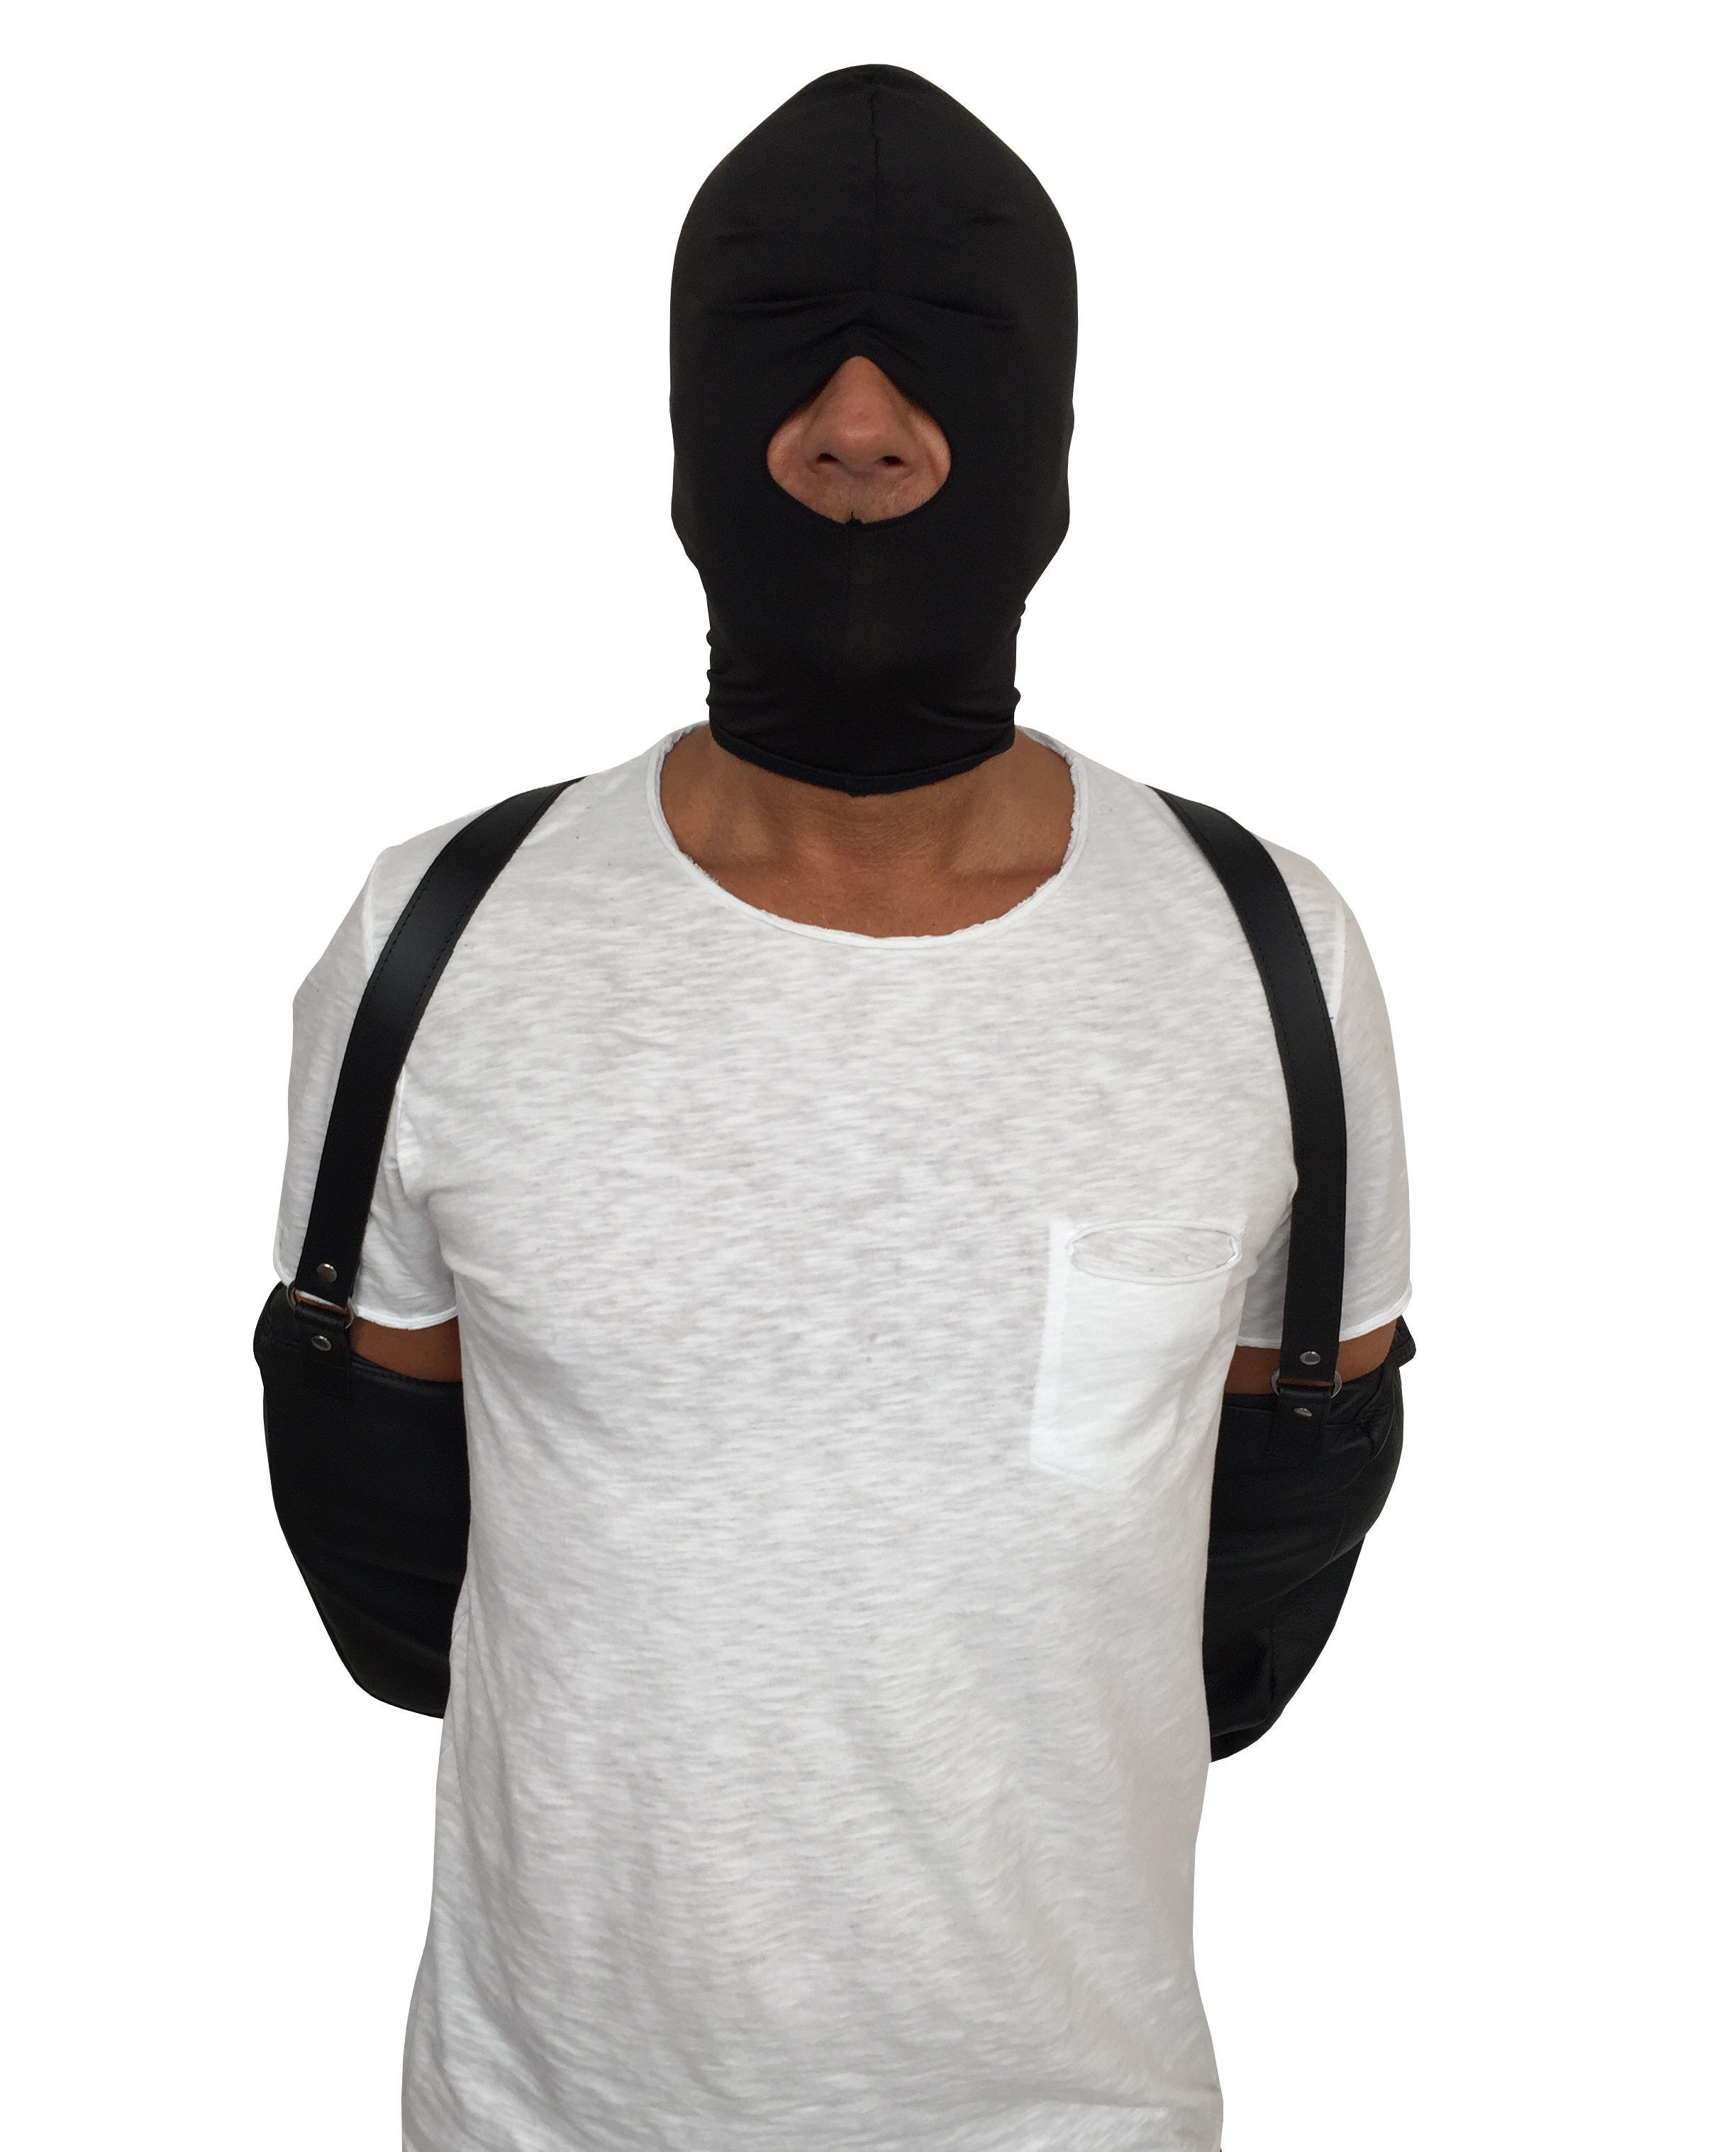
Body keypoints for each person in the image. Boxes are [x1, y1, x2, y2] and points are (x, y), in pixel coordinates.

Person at [274, 64, 1409, 2152]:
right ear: (690, 410)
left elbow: (1273, 1541)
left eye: (944, 341)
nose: (859, 423)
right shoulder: (441, 934)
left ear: (1050, 412)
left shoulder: (1270, 951)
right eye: (785, 342)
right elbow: (388, 1554)